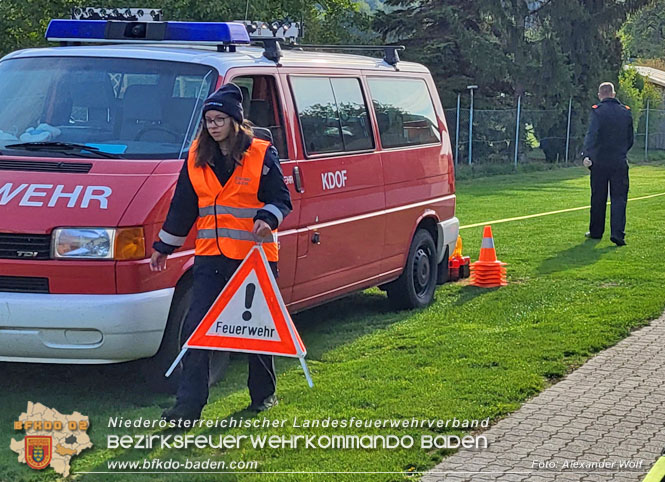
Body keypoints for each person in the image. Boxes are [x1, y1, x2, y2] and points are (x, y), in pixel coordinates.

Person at [150, 83, 292, 421]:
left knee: (256, 332)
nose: (213, 126)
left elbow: (281, 199)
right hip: (210, 258)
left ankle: (263, 395)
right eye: (209, 120)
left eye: (219, 119)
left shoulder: (260, 152)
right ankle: (187, 408)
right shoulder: (196, 157)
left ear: (235, 121)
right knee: (195, 332)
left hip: (252, 258)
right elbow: (182, 207)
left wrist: (266, 218)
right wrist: (163, 247)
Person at [582, 81, 633, 246]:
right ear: (613, 94)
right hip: (619, 160)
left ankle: (596, 232)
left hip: (600, 162)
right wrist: (622, 152)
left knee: (598, 197)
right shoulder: (625, 112)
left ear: (600, 95)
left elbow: (592, 135)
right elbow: (630, 138)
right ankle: (618, 234)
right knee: (619, 198)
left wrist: (587, 155)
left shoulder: (598, 112)